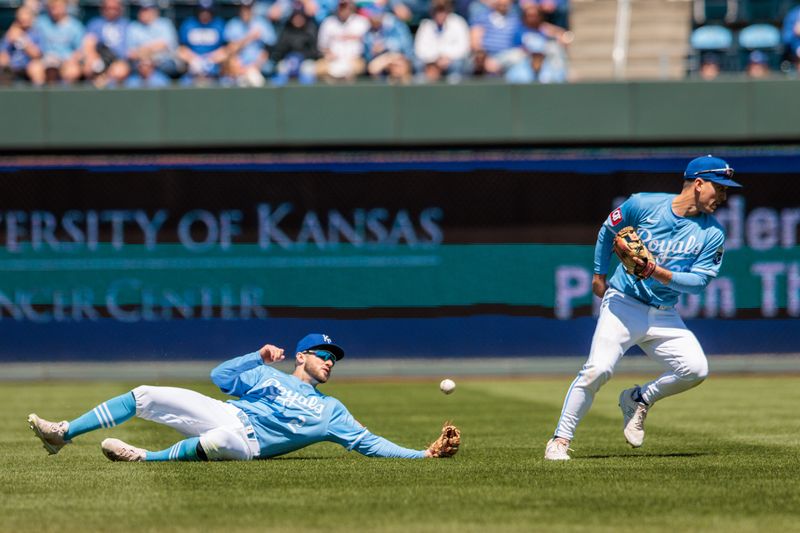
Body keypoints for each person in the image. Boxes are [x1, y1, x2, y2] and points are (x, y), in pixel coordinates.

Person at [544, 156, 742, 461]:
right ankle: (559, 441)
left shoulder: (712, 232)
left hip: (664, 313)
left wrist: (654, 271)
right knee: (598, 369)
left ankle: (639, 398)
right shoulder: (644, 204)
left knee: (696, 369)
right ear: (699, 184)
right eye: (720, 188)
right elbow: (608, 229)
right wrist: (598, 275)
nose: (724, 197)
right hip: (623, 304)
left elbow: (698, 283)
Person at [29, 333, 460, 461]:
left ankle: (143, 457)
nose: (330, 362)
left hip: (247, 444)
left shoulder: (332, 411)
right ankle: (63, 433)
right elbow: (219, 376)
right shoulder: (264, 374)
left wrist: (422, 454)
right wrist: (257, 355)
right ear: (304, 355)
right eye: (324, 355)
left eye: (335, 359)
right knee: (144, 393)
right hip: (225, 411)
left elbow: (370, 443)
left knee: (223, 444)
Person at [413, 0, 470, 83]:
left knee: (458, 65)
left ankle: (455, 90)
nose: (440, 15)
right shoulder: (426, 25)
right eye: (437, 11)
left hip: (452, 60)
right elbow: (419, 49)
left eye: (442, 11)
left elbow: (464, 48)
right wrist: (435, 59)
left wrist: (446, 57)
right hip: (431, 61)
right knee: (417, 64)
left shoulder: (458, 23)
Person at [223, 0, 277, 87]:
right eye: (243, 8)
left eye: (248, 8)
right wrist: (249, 37)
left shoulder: (262, 23)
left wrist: (255, 66)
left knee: (255, 79)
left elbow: (268, 50)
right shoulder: (233, 24)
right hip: (238, 67)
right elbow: (230, 50)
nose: (246, 11)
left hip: (257, 67)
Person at [316, 0, 369, 81]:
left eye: (346, 6)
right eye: (341, 7)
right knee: (317, 68)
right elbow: (322, 46)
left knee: (359, 67)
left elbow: (367, 45)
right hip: (332, 60)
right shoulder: (328, 22)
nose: (344, 10)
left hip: (354, 60)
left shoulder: (361, 22)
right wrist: (329, 54)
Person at [81, 0, 130, 87]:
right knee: (89, 67)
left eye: (115, 8)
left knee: (120, 70)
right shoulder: (95, 24)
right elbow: (88, 44)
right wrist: (94, 60)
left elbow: (129, 51)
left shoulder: (126, 25)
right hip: (100, 58)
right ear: (102, 9)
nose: (111, 11)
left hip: (117, 60)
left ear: (120, 9)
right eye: (108, 8)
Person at [178, 0, 227, 84]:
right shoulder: (188, 24)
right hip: (192, 70)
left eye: (207, 11)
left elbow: (226, 50)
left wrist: (210, 59)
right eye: (202, 11)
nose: (205, 14)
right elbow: (181, 49)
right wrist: (194, 59)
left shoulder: (219, 24)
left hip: (214, 70)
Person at [271, 1, 320, 84]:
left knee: (308, 69)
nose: (298, 19)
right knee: (281, 68)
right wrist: (289, 57)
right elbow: (278, 52)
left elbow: (315, 52)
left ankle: (307, 95)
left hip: (305, 61)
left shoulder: (310, 29)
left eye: (300, 16)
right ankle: (280, 96)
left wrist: (300, 57)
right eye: (295, 16)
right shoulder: (286, 30)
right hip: (288, 61)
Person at [35, 0, 84, 84]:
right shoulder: (40, 22)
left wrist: (70, 60)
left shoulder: (75, 26)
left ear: (65, 7)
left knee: (72, 71)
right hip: (44, 59)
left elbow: (80, 50)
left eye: (58, 7)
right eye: (52, 8)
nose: (55, 10)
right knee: (34, 68)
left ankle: (64, 95)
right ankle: (39, 96)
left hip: (66, 60)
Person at [126, 0, 179, 78]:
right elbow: (130, 54)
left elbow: (166, 45)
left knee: (170, 66)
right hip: (140, 65)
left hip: (162, 63)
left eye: (147, 10)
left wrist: (144, 50)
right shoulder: (133, 27)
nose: (144, 13)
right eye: (142, 10)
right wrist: (151, 51)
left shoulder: (165, 24)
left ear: (155, 11)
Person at [362, 5, 413, 83]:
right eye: (372, 16)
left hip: (399, 56)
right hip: (382, 60)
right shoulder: (368, 32)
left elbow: (405, 44)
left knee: (399, 65)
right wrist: (374, 51)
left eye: (376, 15)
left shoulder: (394, 24)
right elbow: (367, 56)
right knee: (374, 68)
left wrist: (385, 46)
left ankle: (407, 90)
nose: (374, 18)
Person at [0, 5, 46, 85]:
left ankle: (38, 96)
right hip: (12, 65)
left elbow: (37, 55)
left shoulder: (37, 33)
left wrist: (22, 40)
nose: (23, 18)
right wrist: (9, 40)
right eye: (21, 15)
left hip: (29, 64)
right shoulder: (11, 32)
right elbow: (3, 52)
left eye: (26, 15)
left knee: (36, 68)